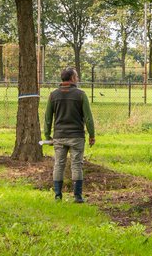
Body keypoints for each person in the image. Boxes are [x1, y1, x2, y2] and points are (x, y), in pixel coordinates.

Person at [43, 66, 96, 202]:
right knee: (76, 165)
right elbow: (88, 117)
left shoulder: (53, 95)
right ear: (72, 78)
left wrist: (47, 135)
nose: (77, 78)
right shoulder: (80, 94)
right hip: (77, 136)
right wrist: (92, 134)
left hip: (59, 136)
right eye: (76, 76)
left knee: (59, 164)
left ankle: (58, 196)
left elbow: (48, 117)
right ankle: (77, 196)